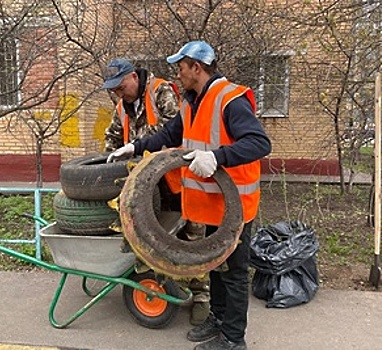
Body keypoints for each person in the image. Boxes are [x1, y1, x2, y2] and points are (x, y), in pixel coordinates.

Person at [107, 41, 271, 350]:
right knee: (216, 266)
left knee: (234, 273)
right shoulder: (193, 101)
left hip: (234, 207)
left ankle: (233, 339)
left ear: (197, 67)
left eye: (181, 68)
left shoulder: (230, 100)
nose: (178, 74)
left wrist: (217, 157)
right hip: (212, 206)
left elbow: (259, 143)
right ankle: (219, 320)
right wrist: (135, 147)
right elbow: (171, 135)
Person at [101, 57, 211, 326]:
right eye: (113, 89)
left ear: (134, 77)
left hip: (177, 180)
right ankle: (162, 285)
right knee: (151, 237)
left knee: (191, 237)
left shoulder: (161, 92)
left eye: (121, 86)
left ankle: (201, 296)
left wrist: (139, 145)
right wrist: (107, 162)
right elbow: (112, 137)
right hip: (146, 190)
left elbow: (175, 131)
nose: (118, 92)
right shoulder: (122, 107)